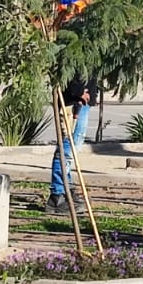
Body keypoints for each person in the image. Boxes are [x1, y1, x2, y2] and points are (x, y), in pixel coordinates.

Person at [47, 74, 98, 214]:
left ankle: (67, 189)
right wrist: (79, 91)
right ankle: (57, 195)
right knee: (66, 148)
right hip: (72, 102)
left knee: (73, 147)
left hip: (82, 101)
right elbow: (69, 72)